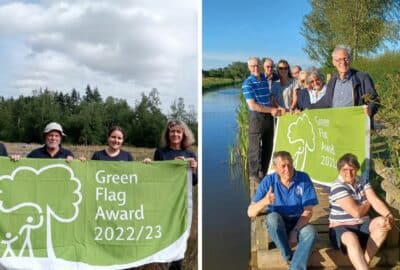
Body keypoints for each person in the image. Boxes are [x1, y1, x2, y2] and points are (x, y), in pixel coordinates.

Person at [248, 151, 318, 270]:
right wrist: (264, 201)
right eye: (283, 166)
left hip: (298, 222)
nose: (288, 169)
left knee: (311, 233)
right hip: (279, 224)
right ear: (275, 168)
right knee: (272, 219)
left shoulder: (303, 178)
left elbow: (308, 211)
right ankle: (289, 257)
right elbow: (250, 212)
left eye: (289, 165)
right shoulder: (268, 181)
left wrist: (295, 232)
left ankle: (295, 267)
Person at [329, 153, 393, 270]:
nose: (348, 173)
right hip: (342, 228)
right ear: (339, 170)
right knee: (351, 237)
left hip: (363, 225)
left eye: (352, 169)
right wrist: (367, 203)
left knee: (383, 222)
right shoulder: (337, 186)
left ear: (357, 169)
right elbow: (357, 213)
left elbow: (374, 199)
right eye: (344, 170)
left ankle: (364, 265)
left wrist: (388, 215)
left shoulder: (362, 181)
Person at [310, 45, 380, 128]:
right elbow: (325, 101)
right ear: (334, 62)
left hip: (356, 128)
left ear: (350, 60)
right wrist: (306, 109)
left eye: (345, 59)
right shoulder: (332, 81)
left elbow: (375, 100)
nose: (343, 63)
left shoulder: (362, 78)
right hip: (336, 127)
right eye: (339, 60)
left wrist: (370, 109)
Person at [242, 57, 285, 182]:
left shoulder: (265, 79)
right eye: (252, 66)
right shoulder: (247, 84)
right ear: (248, 67)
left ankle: (265, 172)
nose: (255, 68)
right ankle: (254, 175)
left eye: (257, 65)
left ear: (260, 65)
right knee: (255, 147)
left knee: (268, 145)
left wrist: (278, 107)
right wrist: (271, 110)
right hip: (256, 117)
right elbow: (253, 105)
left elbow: (269, 97)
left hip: (268, 115)